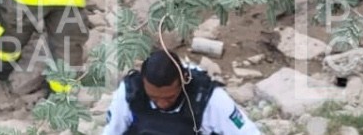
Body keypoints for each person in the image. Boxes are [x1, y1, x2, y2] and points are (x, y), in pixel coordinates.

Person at [101, 49, 262, 135]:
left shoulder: (208, 99)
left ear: (184, 80)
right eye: (154, 98)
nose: (162, 104)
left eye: (169, 97)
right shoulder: (131, 93)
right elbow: (112, 131)